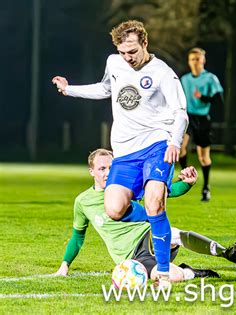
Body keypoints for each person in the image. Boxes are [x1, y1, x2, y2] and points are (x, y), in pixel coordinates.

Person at [51, 20, 188, 288]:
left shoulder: (163, 73)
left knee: (155, 202)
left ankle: (161, 272)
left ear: (145, 43)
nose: (128, 58)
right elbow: (105, 89)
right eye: (123, 52)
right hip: (125, 152)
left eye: (133, 52)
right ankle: (160, 226)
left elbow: (180, 112)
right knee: (113, 208)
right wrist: (69, 90)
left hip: (156, 144)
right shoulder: (115, 63)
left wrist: (174, 142)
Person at [55, 149, 236, 282]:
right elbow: (77, 237)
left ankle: (225, 252)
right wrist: (65, 265)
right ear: (91, 171)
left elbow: (165, 192)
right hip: (130, 257)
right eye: (101, 168)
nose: (107, 173)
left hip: (147, 236)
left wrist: (187, 184)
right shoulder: (83, 201)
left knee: (172, 234)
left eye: (111, 167)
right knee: (167, 276)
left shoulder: (126, 187)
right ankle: (192, 273)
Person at [179, 47, 224, 201]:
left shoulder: (211, 78)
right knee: (180, 148)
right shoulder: (184, 79)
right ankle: (185, 176)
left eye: (198, 59)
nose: (195, 62)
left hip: (203, 119)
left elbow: (219, 101)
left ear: (203, 61)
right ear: (189, 62)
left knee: (203, 157)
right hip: (188, 118)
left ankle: (206, 187)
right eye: (192, 59)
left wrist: (203, 97)